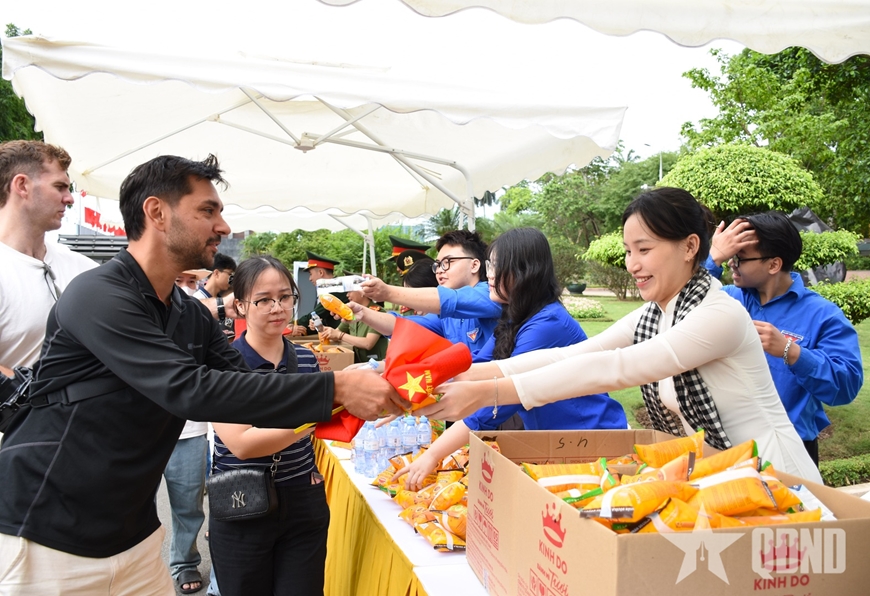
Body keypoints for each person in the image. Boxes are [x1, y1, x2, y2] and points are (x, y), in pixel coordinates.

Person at [0, 154, 403, 595]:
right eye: (208, 211)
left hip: (133, 538)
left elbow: (251, 388)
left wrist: (363, 393)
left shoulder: (192, 314)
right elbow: (187, 388)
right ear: (156, 212)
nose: (224, 227)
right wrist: (339, 386)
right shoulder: (98, 295)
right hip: (45, 534)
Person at [418, 188, 822, 484]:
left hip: (776, 474)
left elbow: (616, 367)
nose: (632, 264)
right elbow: (573, 355)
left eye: (643, 249)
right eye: (628, 251)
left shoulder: (718, 315)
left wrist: (491, 393)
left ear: (690, 247)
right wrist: (472, 377)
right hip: (724, 474)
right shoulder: (658, 313)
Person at [396, 228, 627, 490]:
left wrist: (433, 455)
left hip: (591, 443)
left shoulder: (546, 324)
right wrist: (405, 388)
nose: (489, 274)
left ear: (524, 271)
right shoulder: (515, 318)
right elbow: (474, 366)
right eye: (489, 265)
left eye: (496, 266)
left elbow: (497, 402)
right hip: (557, 444)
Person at [209, 256, 329, 596]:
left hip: (302, 499)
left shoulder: (305, 359)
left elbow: (318, 431)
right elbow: (242, 444)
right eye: (263, 300)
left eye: (285, 297)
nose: (277, 307)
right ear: (242, 305)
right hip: (241, 500)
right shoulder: (222, 365)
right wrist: (315, 416)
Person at [704, 212, 863, 465]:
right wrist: (713, 258)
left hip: (790, 451)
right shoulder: (728, 299)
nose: (731, 264)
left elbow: (847, 386)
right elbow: (682, 307)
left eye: (740, 258)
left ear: (773, 265)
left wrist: (792, 351)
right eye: (730, 256)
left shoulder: (822, 315)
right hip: (726, 448)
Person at [0, 140, 96, 377]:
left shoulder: (85, 269)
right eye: (60, 187)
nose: (69, 199)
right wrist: (31, 395)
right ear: (22, 185)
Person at [356, 230, 502, 356]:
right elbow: (402, 325)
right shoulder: (446, 316)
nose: (439, 270)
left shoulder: (490, 293)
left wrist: (387, 292)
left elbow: (448, 300)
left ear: (474, 265)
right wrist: (361, 313)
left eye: (448, 262)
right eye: (437, 264)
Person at [318, 289, 389, 363]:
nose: (347, 295)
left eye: (350, 291)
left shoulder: (377, 313)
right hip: (357, 362)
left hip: (375, 364)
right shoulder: (350, 313)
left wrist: (340, 335)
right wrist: (321, 328)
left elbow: (368, 344)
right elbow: (335, 334)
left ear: (362, 292)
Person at [292, 251, 348, 334]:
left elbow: (315, 315)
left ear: (321, 272)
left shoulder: (335, 290)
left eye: (310, 274)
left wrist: (292, 325)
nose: (310, 279)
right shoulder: (329, 289)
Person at [193, 253, 237, 340]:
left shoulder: (225, 299)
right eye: (230, 275)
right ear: (216, 273)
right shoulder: (196, 300)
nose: (231, 279)